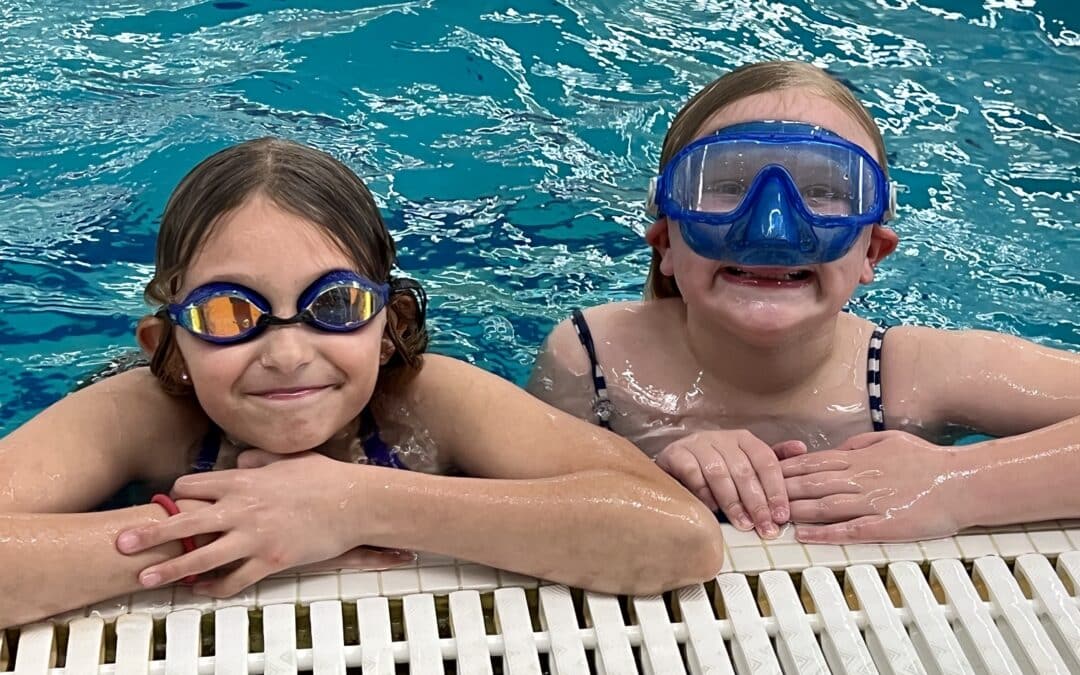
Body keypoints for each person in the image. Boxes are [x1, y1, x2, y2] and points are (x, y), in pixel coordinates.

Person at [0, 137, 723, 629]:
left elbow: (678, 535)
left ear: (388, 324)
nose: (286, 352)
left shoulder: (427, 399)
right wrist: (217, 537)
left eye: (334, 303)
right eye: (228, 311)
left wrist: (357, 503)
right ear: (172, 345)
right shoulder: (147, 412)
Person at [529, 60, 1080, 545]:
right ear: (667, 242)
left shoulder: (916, 375)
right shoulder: (593, 359)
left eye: (823, 192)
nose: (773, 225)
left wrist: (956, 484)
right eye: (725, 184)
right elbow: (524, 507)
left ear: (873, 253)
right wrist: (647, 479)